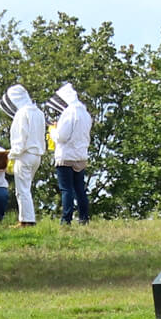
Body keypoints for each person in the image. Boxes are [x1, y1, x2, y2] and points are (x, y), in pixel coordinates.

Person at [0, 83, 45, 226]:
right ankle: (26, 219)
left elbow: (20, 139)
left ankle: (27, 221)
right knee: (26, 188)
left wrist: (10, 155)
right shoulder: (38, 112)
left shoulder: (22, 114)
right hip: (37, 156)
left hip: (24, 155)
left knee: (22, 190)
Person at [52, 81, 91, 225]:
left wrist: (53, 131)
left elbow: (62, 136)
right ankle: (84, 218)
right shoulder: (85, 113)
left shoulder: (69, 113)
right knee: (80, 189)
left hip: (66, 156)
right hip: (81, 156)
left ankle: (66, 219)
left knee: (66, 189)